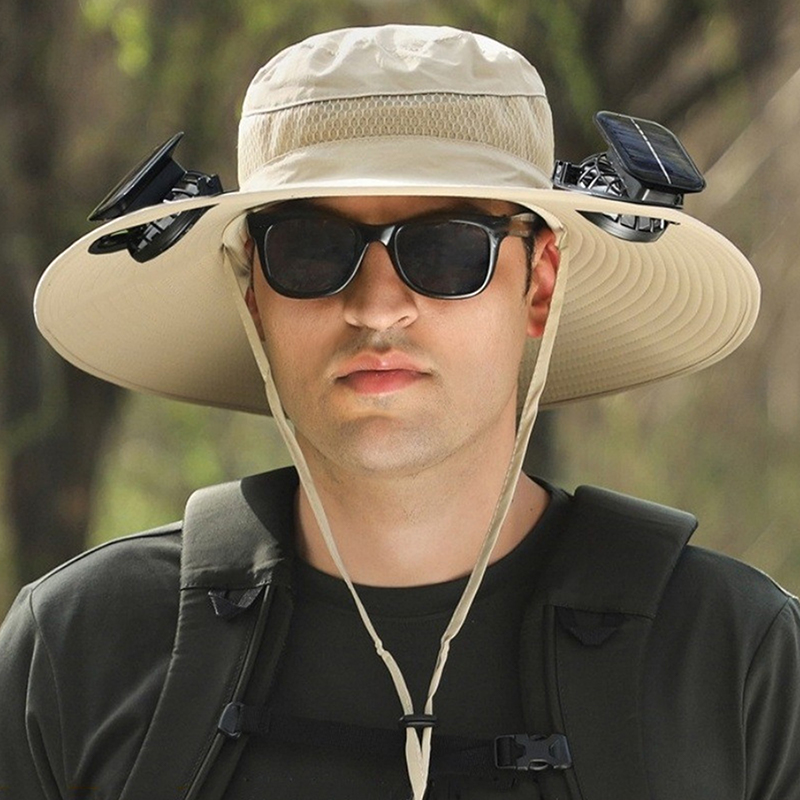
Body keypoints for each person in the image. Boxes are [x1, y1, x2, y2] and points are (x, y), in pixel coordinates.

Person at [1, 24, 798, 800]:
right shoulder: (76, 652)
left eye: (446, 250)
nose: (377, 307)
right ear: (252, 293)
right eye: (310, 248)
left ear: (540, 283)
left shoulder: (739, 662)